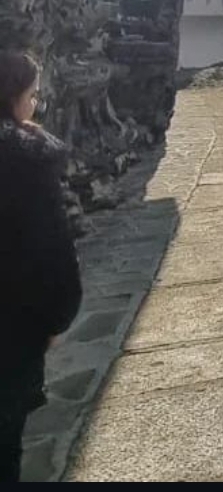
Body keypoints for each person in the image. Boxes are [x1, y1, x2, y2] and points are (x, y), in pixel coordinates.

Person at [0, 51, 82, 483]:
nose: (36, 105)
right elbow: (51, 250)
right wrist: (57, 317)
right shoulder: (26, 162)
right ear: (14, 99)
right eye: (33, 95)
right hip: (12, 328)